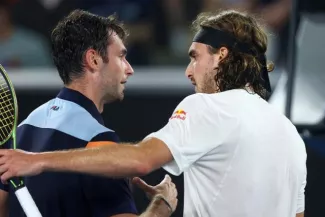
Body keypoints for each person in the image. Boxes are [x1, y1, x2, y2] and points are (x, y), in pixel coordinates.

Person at [0, 9, 307, 217]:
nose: (188, 71)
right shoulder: (291, 134)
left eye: (195, 58)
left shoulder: (205, 106)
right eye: (122, 56)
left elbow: (140, 159)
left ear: (221, 56)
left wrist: (36, 161)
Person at [0, 9, 178, 217]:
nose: (129, 69)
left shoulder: (21, 132)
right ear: (93, 60)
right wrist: (162, 206)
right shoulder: (100, 144)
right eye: (121, 56)